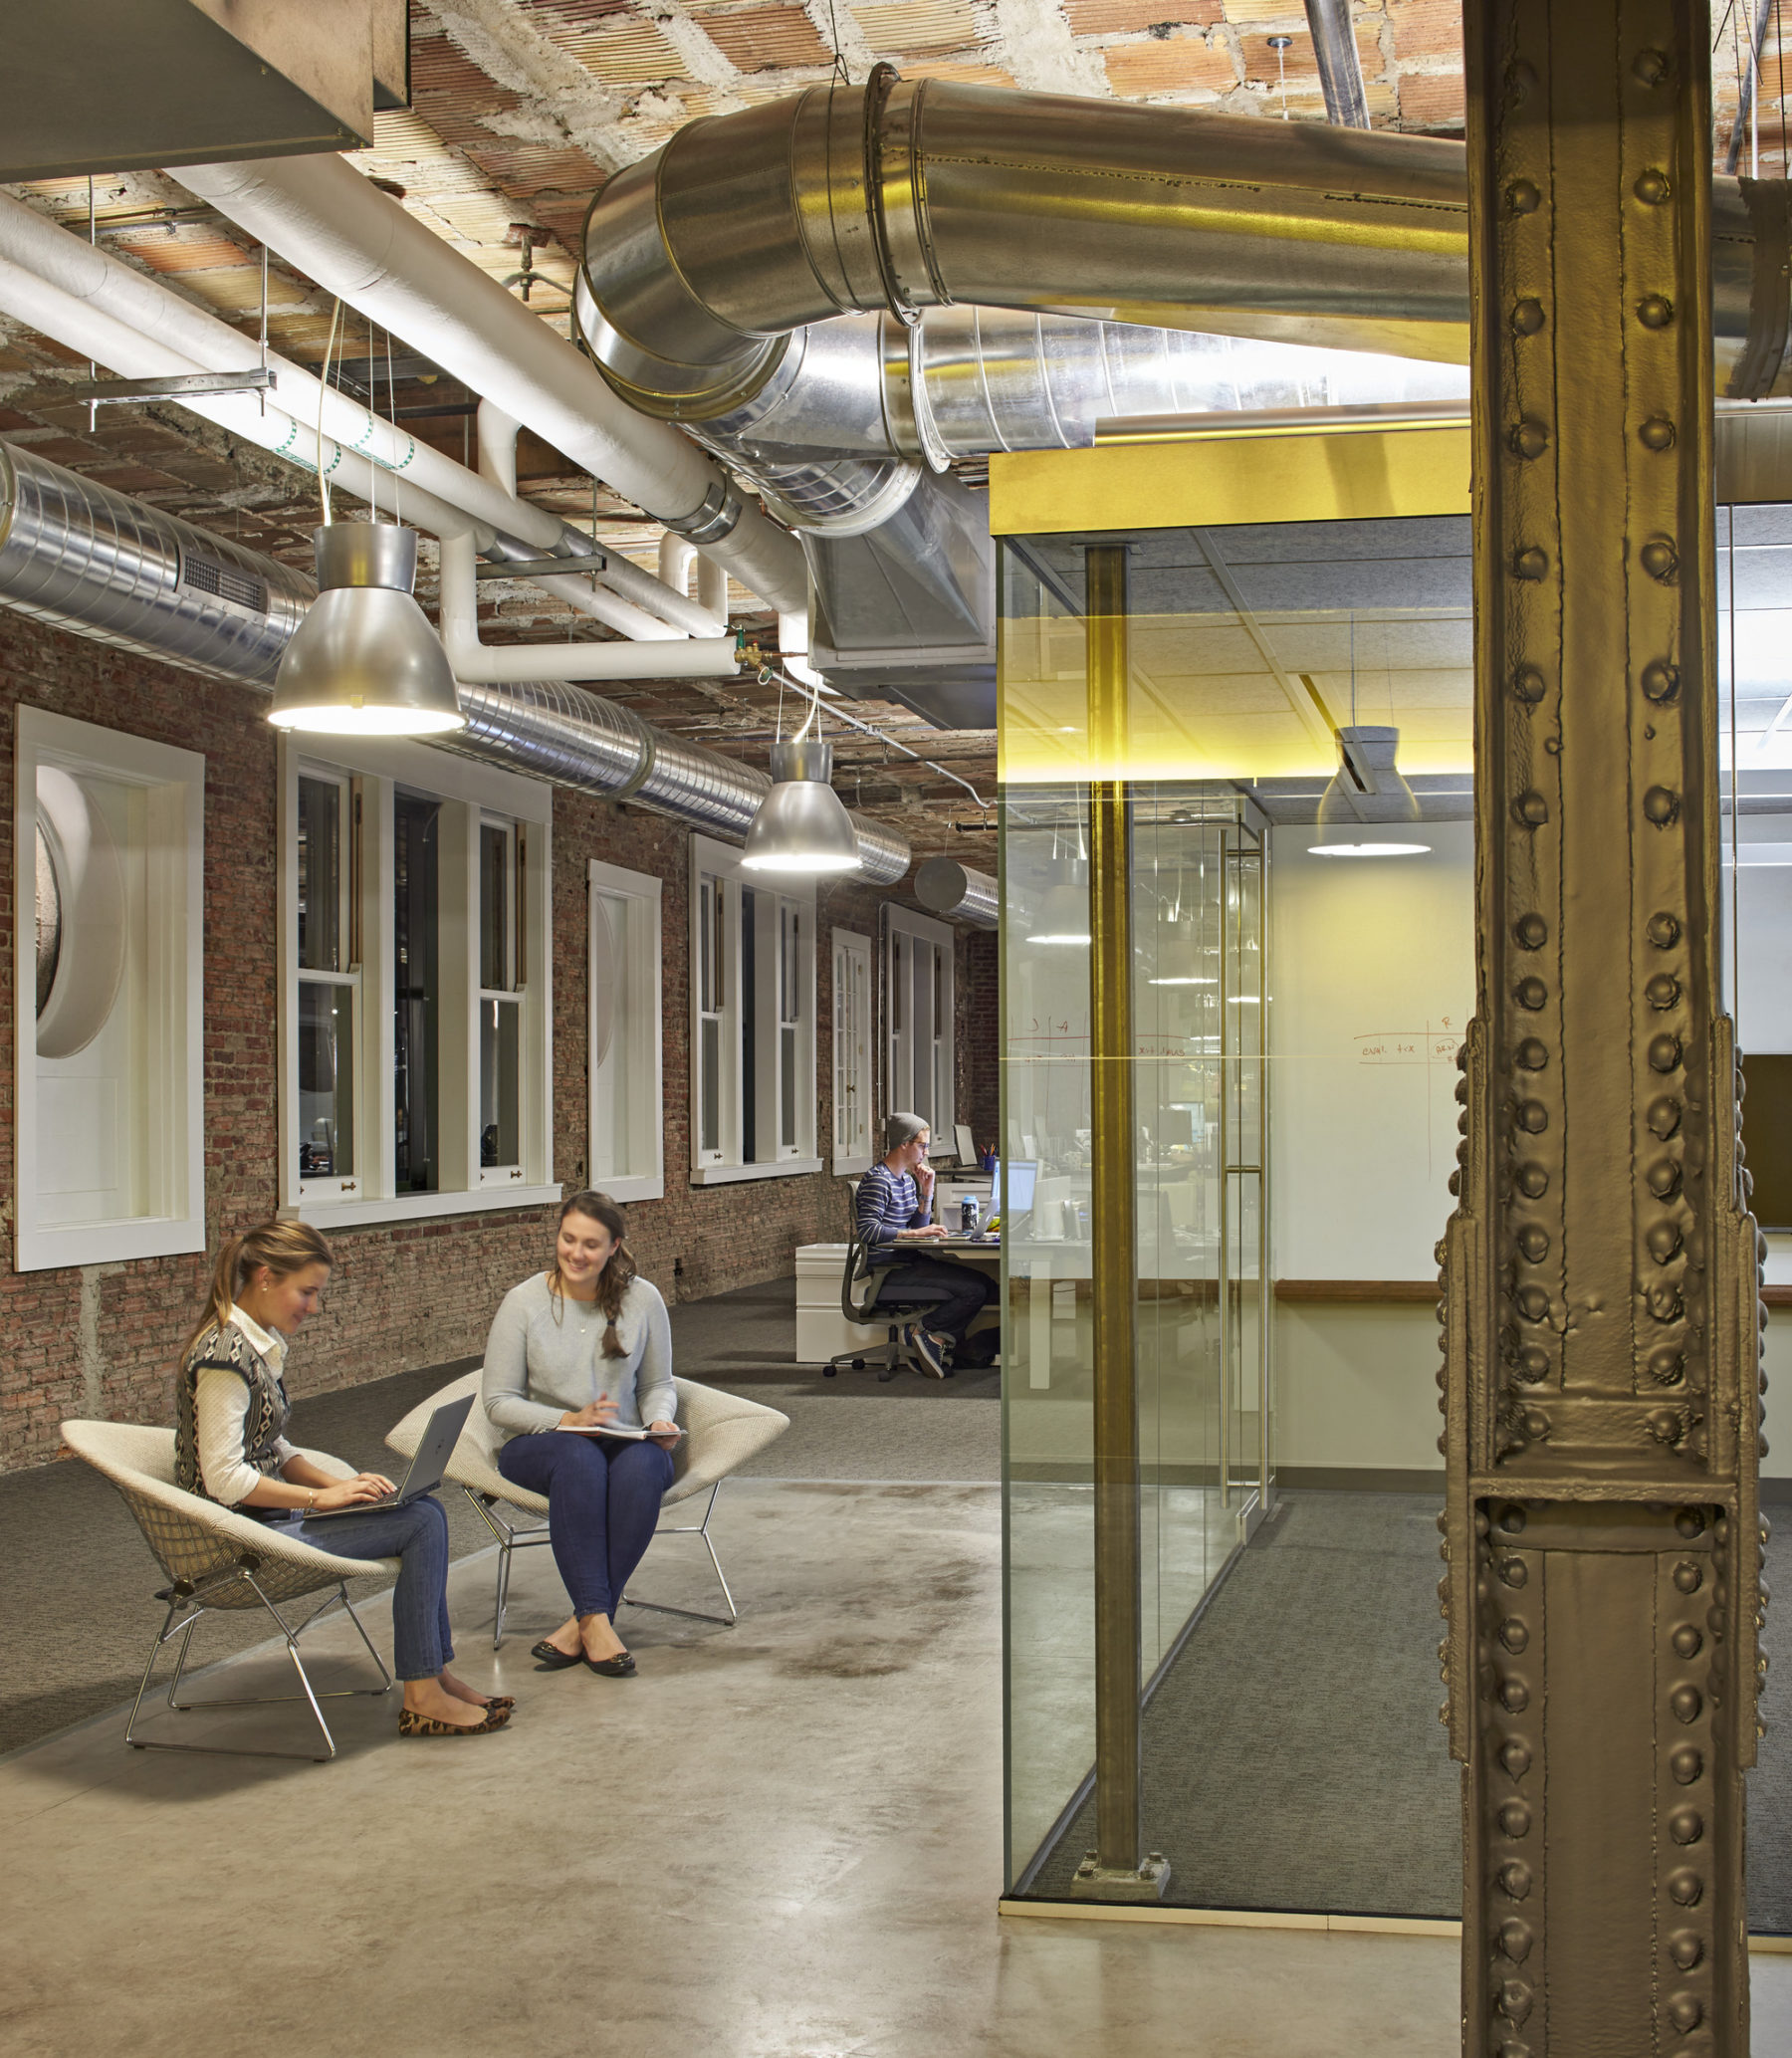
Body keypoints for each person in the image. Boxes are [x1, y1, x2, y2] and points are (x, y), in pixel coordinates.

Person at [174, 1221, 511, 1737]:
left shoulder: (254, 1345)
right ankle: (423, 1691)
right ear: (265, 1278)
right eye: (306, 1291)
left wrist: (339, 1488)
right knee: (422, 1523)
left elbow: (272, 1447)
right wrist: (319, 1498)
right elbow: (224, 1480)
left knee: (424, 1510)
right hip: (239, 1537)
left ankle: (434, 1674)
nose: (312, 1307)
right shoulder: (225, 1358)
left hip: (266, 1516)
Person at [481, 1191, 679, 1678]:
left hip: (623, 1437)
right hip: (542, 1444)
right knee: (579, 1460)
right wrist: (565, 1421)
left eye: (591, 1244)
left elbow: (658, 1384)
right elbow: (498, 1402)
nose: (576, 1253)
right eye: (568, 1239)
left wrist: (658, 1420)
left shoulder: (643, 1299)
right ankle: (597, 1616)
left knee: (646, 1467)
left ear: (614, 1246)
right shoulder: (524, 1302)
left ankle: (586, 1622)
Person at [855, 1112, 994, 1376]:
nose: (926, 1151)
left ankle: (932, 1339)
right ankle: (926, 1333)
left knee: (986, 1284)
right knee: (974, 1290)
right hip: (889, 1269)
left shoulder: (907, 1180)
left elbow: (917, 1226)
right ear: (903, 1143)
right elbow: (868, 1231)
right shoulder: (878, 1179)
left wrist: (926, 1193)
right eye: (922, 1145)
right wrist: (913, 1235)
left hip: (908, 1261)